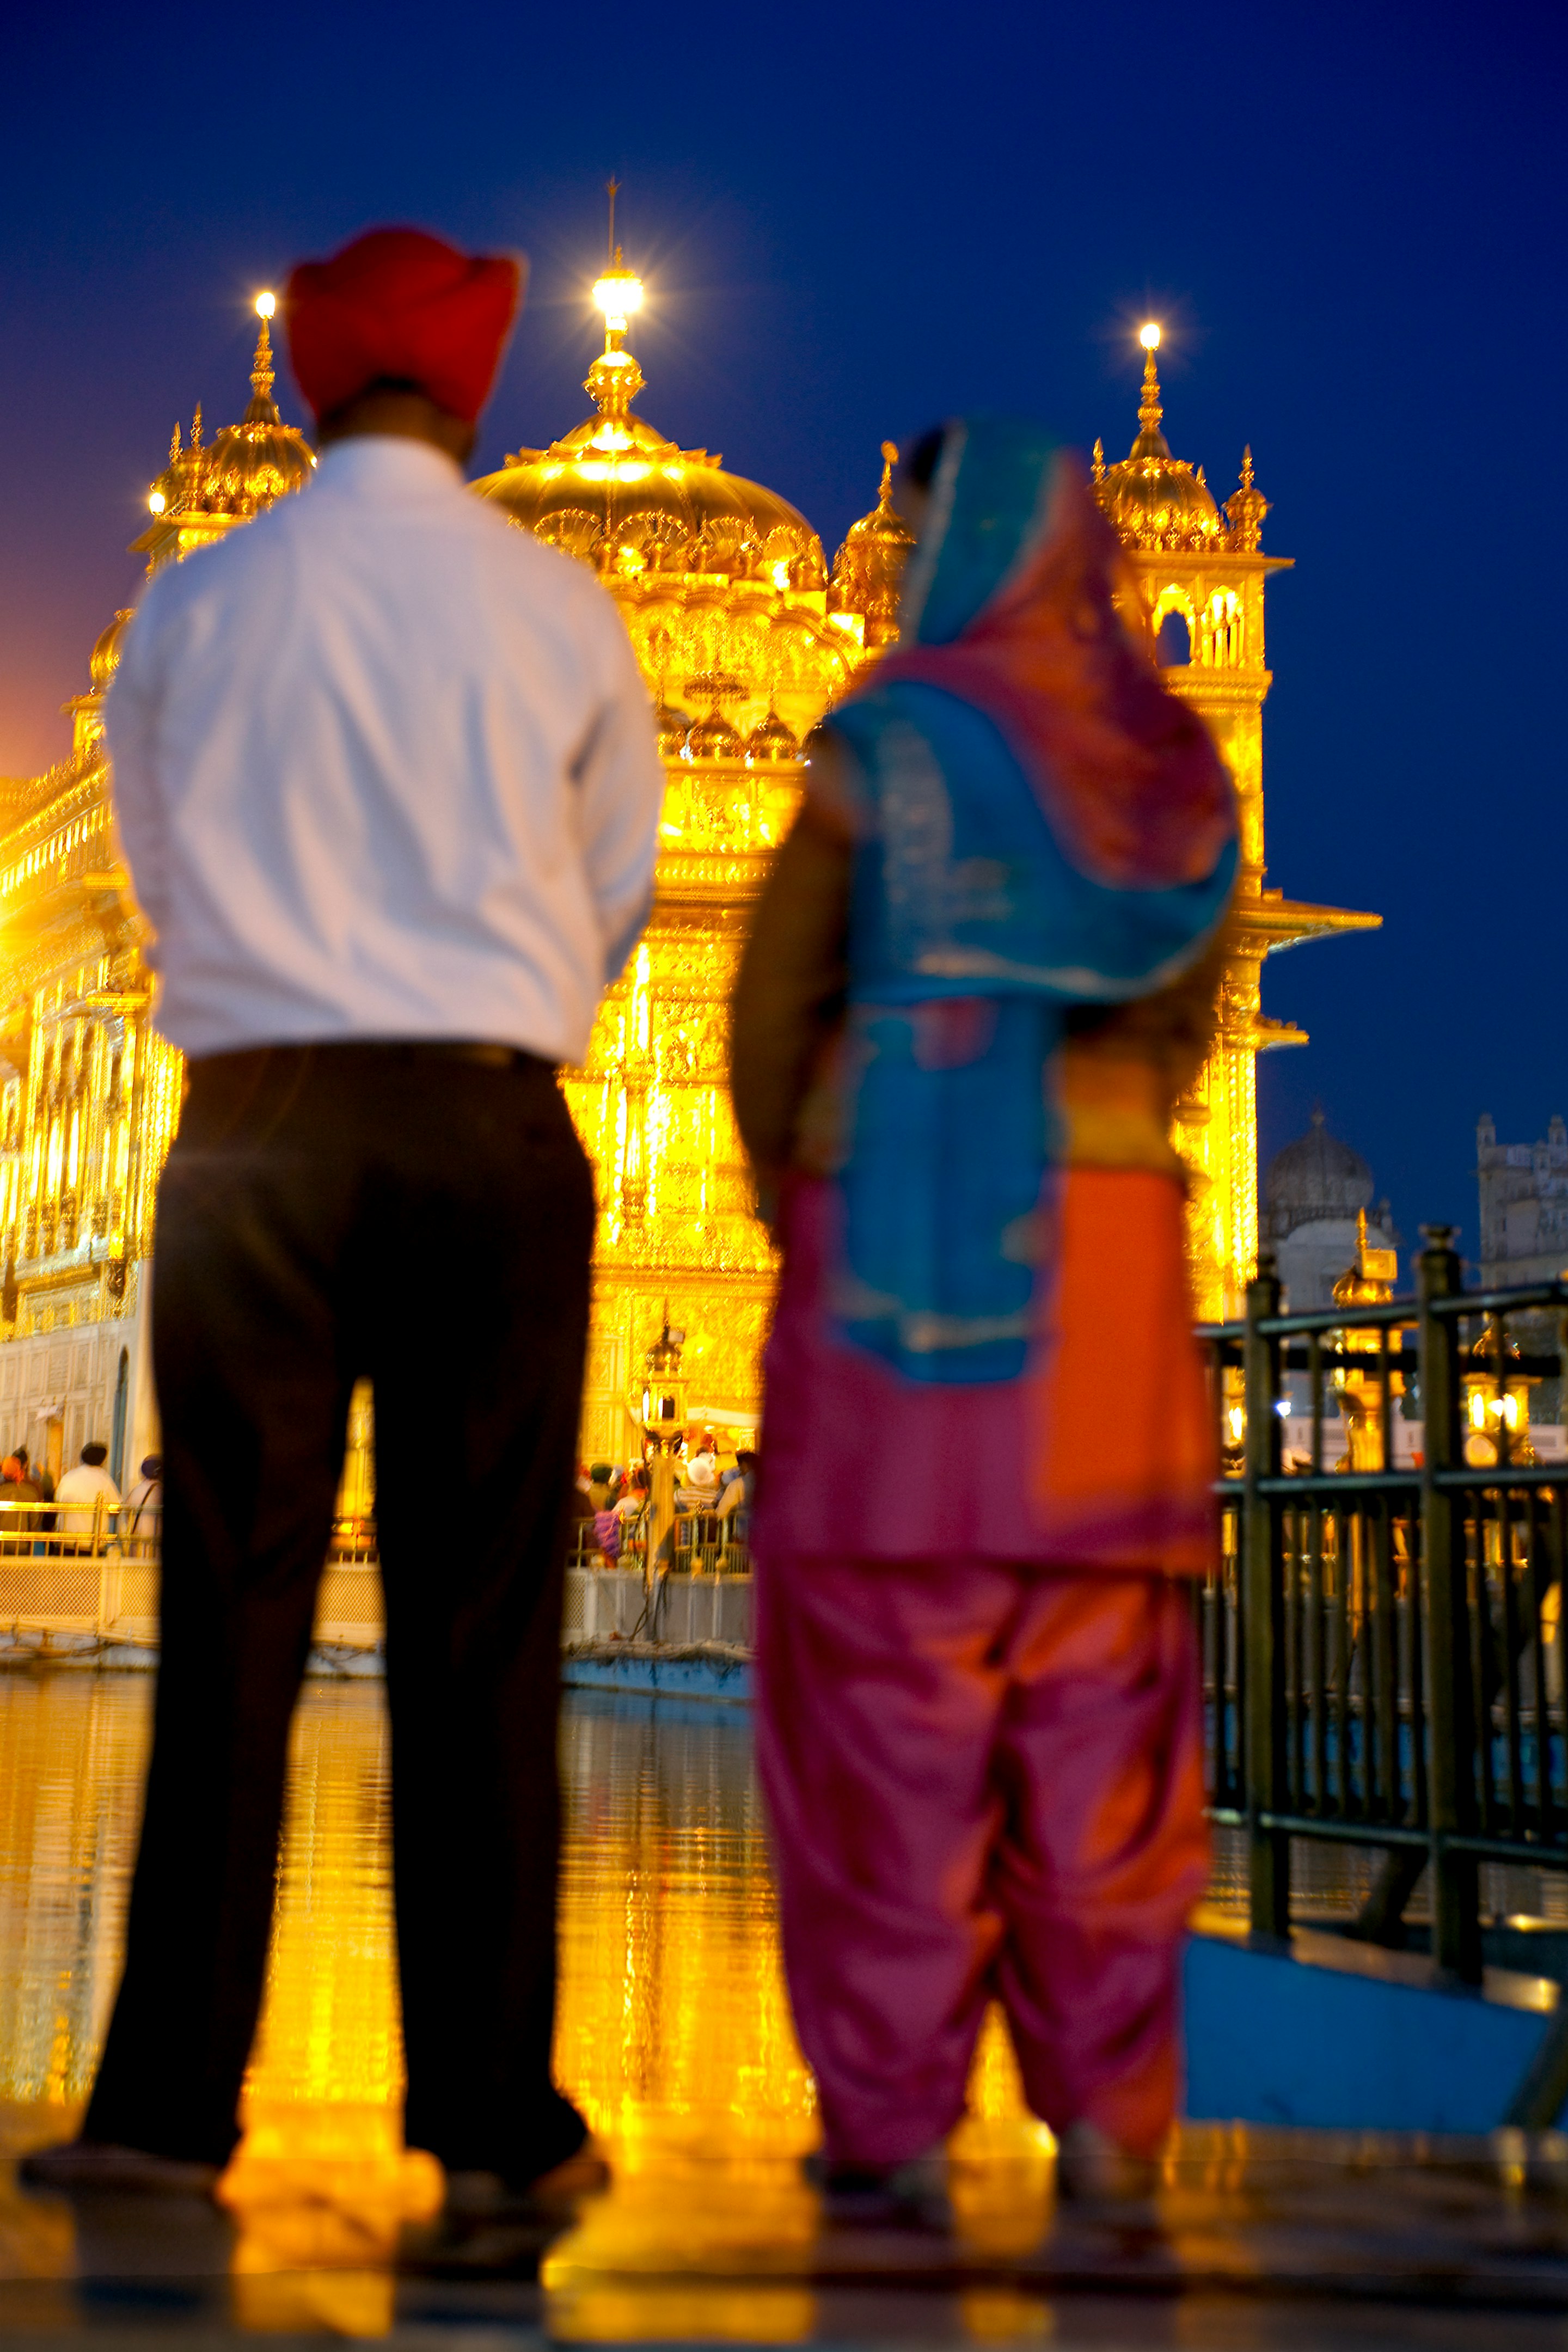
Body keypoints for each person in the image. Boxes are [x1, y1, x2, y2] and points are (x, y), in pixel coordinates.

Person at [26, 226, 664, 2206]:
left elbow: (147, 862)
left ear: (308, 386)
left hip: (252, 1125)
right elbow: (621, 880)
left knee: (230, 1611)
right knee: (486, 1627)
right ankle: (488, 2118)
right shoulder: (558, 610)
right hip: (485, 1122)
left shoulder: (201, 607)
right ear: (473, 393)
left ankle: (159, 2112)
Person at [730, 418, 1237, 2212]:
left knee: (891, 1718)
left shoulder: (891, 741)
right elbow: (1183, 1027)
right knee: (1108, 1716)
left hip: (897, 1290)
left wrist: (811, 1197)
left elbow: (774, 995)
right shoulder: (1169, 756)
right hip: (1105, 1278)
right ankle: (1110, 2127)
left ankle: (891, 2133)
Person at [54, 1442, 121, 1547]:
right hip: (91, 1542)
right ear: (102, 1461)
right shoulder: (104, 1479)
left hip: (66, 1540)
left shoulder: (69, 1477)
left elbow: (57, 1500)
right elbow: (116, 1508)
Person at [0, 1455, 40, 1554]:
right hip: (21, 1545)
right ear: (19, 1471)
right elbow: (34, 1522)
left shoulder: (1, 1492)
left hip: (2, 1544)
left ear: (4, 1473)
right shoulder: (31, 1492)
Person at [121, 1454, 164, 1536]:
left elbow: (126, 1515)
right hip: (155, 1542)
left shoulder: (135, 1491)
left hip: (137, 1542)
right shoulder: (160, 1491)